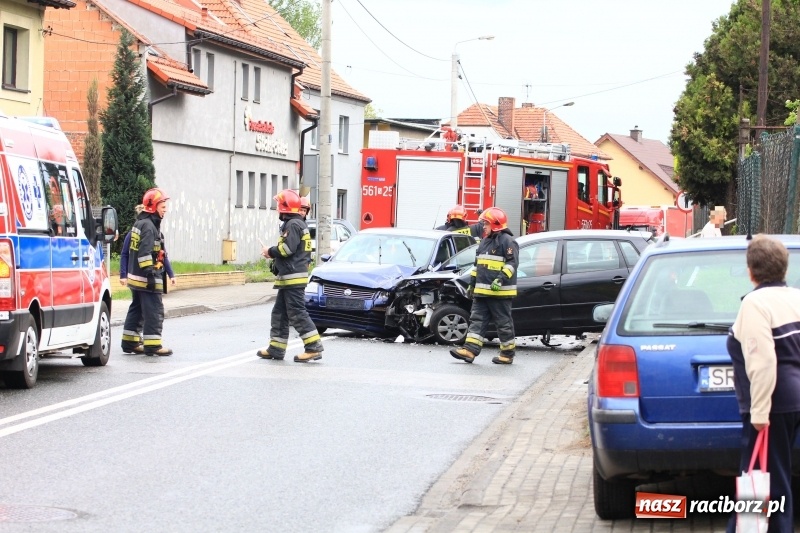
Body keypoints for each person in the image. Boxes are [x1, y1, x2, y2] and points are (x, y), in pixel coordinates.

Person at [726, 235, 800, 532]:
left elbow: (764, 361)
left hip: (773, 406)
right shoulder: (796, 297)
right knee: (771, 478)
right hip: (793, 400)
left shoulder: (755, 305)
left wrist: (759, 413)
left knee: (767, 483)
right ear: (784, 268)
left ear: (750, 271)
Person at [258, 189, 323, 363]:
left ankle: (313, 347)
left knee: (297, 313)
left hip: (293, 277)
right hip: (289, 277)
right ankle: (276, 348)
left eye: (279, 206)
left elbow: (287, 249)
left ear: (284, 207)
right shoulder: (297, 223)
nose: (277, 209)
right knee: (279, 313)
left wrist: (269, 252)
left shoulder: (293, 224)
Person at [450, 206, 519, 365]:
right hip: (481, 292)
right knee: (476, 321)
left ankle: (507, 354)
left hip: (500, 293)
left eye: (486, 224)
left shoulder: (508, 242)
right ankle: (469, 351)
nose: (483, 227)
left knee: (503, 324)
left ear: (495, 225)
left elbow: (512, 264)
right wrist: (471, 285)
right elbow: (477, 266)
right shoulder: (484, 243)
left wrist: (500, 280)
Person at [121, 188, 173, 356]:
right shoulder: (149, 227)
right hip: (146, 278)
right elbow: (144, 253)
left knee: (136, 310)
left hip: (136, 278)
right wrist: (151, 275)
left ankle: (130, 343)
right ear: (153, 207)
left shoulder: (140, 224)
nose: (165, 209)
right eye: (162, 206)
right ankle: (153, 345)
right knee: (154, 310)